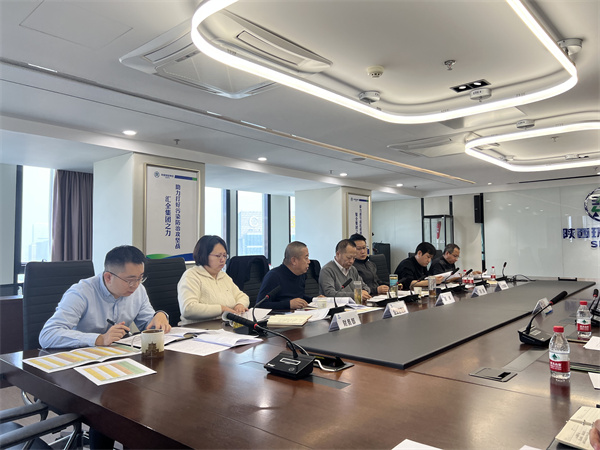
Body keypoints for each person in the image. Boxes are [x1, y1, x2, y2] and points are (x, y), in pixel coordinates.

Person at [39, 245, 171, 349]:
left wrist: (159, 316)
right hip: (81, 358)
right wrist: (99, 339)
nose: (136, 285)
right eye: (130, 280)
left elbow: (148, 325)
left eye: (140, 278)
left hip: (117, 356)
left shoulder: (138, 290)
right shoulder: (81, 292)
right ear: (108, 277)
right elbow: (48, 335)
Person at [177, 235, 249, 324]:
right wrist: (221, 309)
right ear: (204, 255)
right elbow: (188, 309)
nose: (223, 260)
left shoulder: (223, 276)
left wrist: (240, 304)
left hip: (223, 326)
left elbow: (242, 296)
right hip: (198, 328)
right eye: (218, 256)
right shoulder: (191, 276)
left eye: (224, 256)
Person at [256, 241, 313, 310]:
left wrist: (314, 300)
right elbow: (260, 305)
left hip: (297, 314)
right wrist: (288, 304)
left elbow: (299, 297)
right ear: (294, 261)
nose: (309, 261)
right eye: (306, 258)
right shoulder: (274, 276)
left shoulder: (301, 275)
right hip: (279, 315)